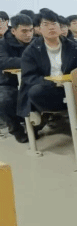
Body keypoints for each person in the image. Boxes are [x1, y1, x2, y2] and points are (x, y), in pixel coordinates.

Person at [17, 9, 77, 122]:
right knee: (35, 91)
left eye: (54, 24)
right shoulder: (31, 51)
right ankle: (54, 115)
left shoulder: (74, 47)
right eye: (46, 24)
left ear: (60, 27)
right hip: (48, 88)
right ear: (39, 29)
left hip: (71, 88)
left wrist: (70, 82)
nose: (51, 28)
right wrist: (52, 83)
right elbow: (29, 77)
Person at [0, 14, 34, 143]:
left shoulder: (36, 42)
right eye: (24, 31)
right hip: (8, 82)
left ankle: (35, 128)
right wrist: (28, 61)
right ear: (13, 31)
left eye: (30, 30)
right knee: (4, 100)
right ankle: (16, 129)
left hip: (31, 80)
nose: (28, 34)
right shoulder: (2, 44)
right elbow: (3, 62)